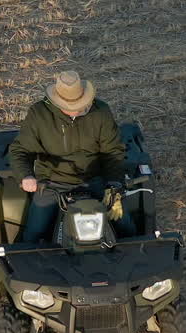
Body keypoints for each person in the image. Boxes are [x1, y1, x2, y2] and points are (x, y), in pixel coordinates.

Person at [8, 71, 133, 243]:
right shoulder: (39, 114)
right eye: (70, 107)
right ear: (57, 102)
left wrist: (113, 185)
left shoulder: (101, 112)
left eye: (81, 105)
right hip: (52, 183)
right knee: (34, 233)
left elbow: (113, 151)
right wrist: (26, 176)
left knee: (126, 228)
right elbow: (20, 150)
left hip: (94, 180)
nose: (76, 110)